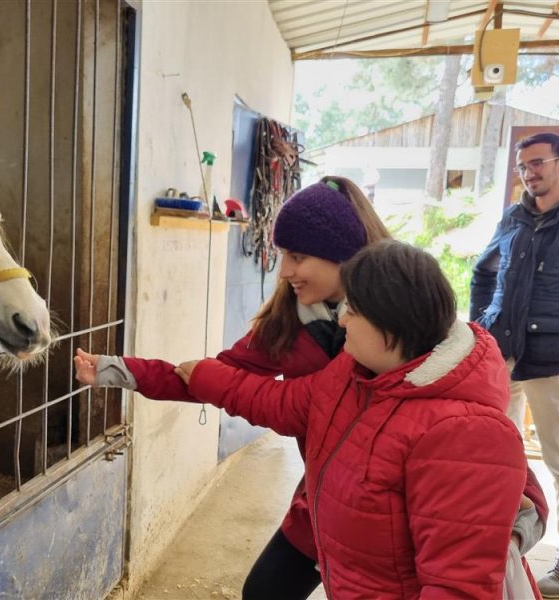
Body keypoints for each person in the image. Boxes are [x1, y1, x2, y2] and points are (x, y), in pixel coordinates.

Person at [77, 176, 390, 600]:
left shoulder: (398, 315)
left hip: (390, 501)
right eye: (283, 255)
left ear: (344, 255)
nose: (284, 271)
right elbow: (213, 377)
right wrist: (120, 370)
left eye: (297, 256)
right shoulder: (288, 319)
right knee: (264, 591)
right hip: (324, 494)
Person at [174, 240, 530, 598]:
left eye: (354, 310)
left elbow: (457, 587)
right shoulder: (356, 372)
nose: (342, 320)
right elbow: (282, 402)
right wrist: (207, 378)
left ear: (391, 321)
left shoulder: (462, 433)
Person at [470, 132, 559, 598]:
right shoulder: (514, 216)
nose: (529, 172)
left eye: (538, 163)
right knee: (499, 458)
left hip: (555, 364)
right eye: (523, 166)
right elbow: (482, 272)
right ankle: (501, 544)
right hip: (502, 358)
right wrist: (480, 329)